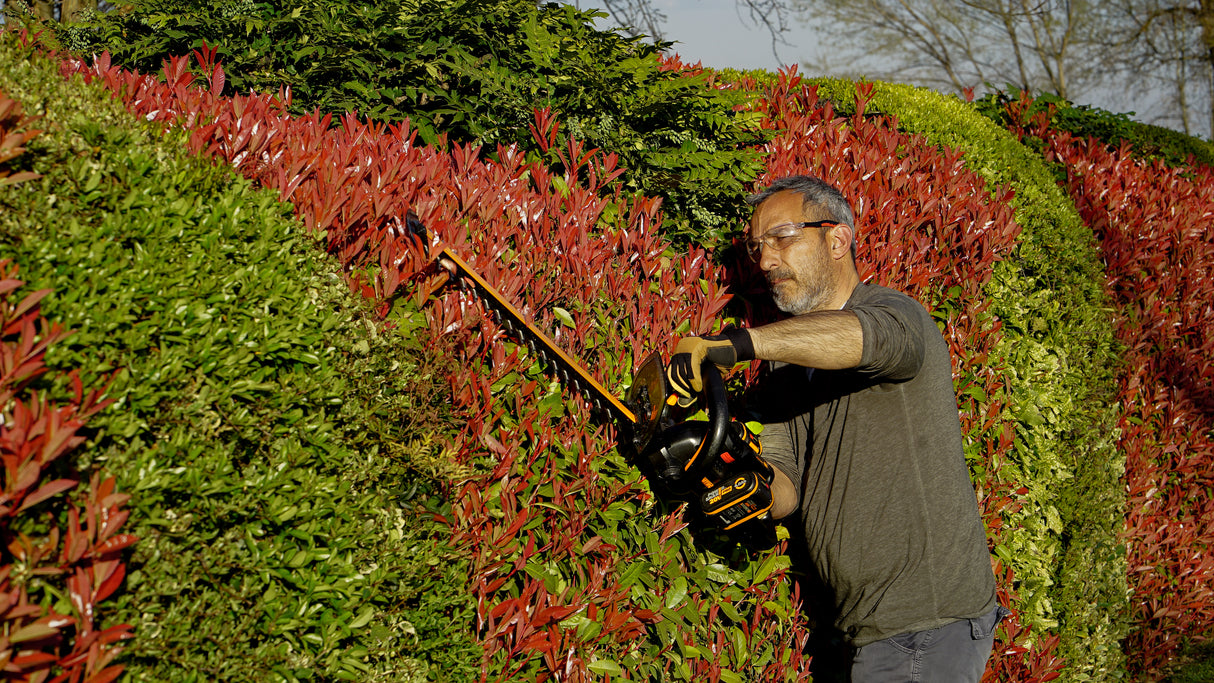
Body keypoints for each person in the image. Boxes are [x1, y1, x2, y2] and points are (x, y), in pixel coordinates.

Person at [667, 175, 1007, 682]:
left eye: (782, 237)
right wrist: (735, 479)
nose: (765, 261)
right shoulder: (784, 369)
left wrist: (737, 344)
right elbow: (786, 486)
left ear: (837, 239)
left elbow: (860, 338)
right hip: (861, 627)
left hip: (925, 623)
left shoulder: (896, 314)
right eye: (757, 247)